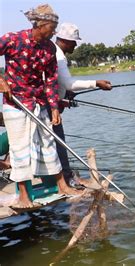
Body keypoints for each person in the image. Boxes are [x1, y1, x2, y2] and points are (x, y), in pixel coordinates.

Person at [0, 4, 81, 208]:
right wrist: (1, 80)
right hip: (15, 102)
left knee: (48, 143)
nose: (54, 31)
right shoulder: (13, 39)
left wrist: (54, 107)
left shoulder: (49, 48)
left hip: (39, 102)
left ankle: (62, 185)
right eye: (52, 27)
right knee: (19, 150)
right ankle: (24, 196)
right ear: (41, 24)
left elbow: (51, 80)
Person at [54, 22, 112, 186]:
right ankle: (66, 180)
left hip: (53, 105)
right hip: (49, 109)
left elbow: (62, 85)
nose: (75, 45)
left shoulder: (56, 53)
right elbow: (68, 83)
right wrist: (96, 83)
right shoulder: (58, 56)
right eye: (74, 41)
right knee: (59, 142)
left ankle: (64, 177)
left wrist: (65, 94)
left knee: (58, 142)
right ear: (65, 40)